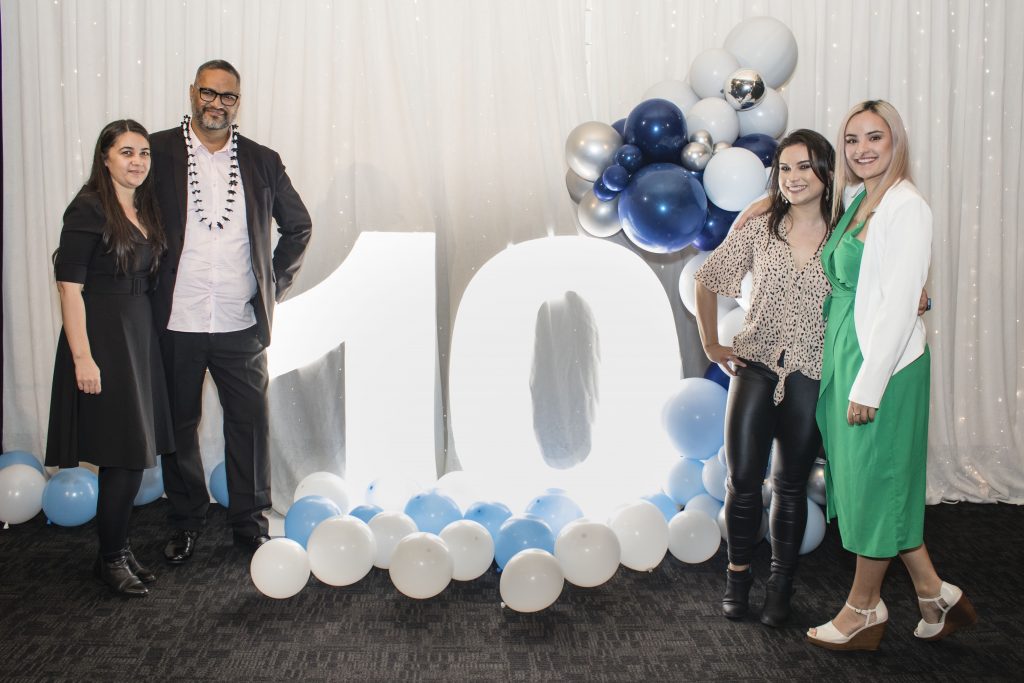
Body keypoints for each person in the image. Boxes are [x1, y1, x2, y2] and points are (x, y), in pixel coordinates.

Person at [806, 100, 975, 650]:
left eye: (875, 137)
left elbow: (902, 302)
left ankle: (863, 610)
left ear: (896, 141)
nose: (862, 150)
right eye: (852, 140)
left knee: (876, 483)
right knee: (868, 480)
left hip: (884, 361)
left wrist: (869, 384)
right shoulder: (857, 198)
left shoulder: (907, 206)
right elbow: (862, 276)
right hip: (849, 348)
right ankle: (934, 596)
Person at [149, 60, 312, 563]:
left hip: (240, 321)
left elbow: (299, 226)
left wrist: (270, 288)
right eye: (208, 93)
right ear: (192, 93)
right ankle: (186, 520)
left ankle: (249, 521)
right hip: (176, 318)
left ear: (238, 103)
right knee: (178, 425)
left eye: (228, 96)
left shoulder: (262, 160)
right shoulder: (156, 152)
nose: (217, 103)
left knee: (249, 423)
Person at [694, 129, 835, 626]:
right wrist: (712, 343)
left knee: (791, 485)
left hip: (810, 374)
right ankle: (737, 579)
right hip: (754, 369)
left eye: (804, 167)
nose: (793, 178)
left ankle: (781, 586)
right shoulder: (759, 228)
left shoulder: (844, 234)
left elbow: (885, 269)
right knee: (743, 482)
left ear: (826, 171)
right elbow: (708, 280)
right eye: (785, 168)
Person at [46, 119, 174, 597]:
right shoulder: (87, 208)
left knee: (132, 457)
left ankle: (115, 550)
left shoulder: (142, 206)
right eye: (126, 152)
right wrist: (83, 358)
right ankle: (111, 557)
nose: (137, 160)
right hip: (104, 337)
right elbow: (69, 289)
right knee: (123, 457)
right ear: (105, 157)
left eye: (143, 153)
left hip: (138, 333)